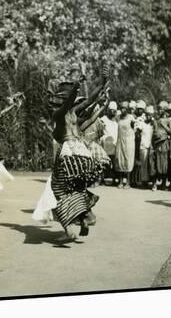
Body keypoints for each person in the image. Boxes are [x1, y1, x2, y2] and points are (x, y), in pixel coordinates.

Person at [45, 67, 108, 239]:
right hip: (85, 156)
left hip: (70, 155)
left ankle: (69, 231)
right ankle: (85, 217)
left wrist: (76, 87)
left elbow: (71, 103)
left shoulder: (59, 115)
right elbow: (89, 103)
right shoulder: (74, 115)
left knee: (58, 190)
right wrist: (102, 82)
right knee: (76, 188)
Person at [150, 103, 171, 191]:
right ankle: (154, 184)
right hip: (157, 144)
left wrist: (164, 126)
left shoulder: (168, 120)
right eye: (158, 109)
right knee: (155, 163)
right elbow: (154, 131)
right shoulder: (156, 120)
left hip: (164, 144)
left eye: (161, 109)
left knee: (164, 164)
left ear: (165, 109)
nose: (159, 110)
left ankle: (163, 184)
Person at [132, 105, 154, 188]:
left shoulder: (153, 124)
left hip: (151, 146)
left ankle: (151, 181)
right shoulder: (142, 123)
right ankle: (144, 181)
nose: (148, 116)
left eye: (150, 115)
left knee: (150, 164)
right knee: (144, 164)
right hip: (143, 146)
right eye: (147, 114)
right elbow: (137, 133)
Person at [114, 101, 135, 189]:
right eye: (122, 108)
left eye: (125, 108)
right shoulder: (118, 117)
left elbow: (135, 130)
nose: (123, 110)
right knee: (120, 160)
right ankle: (121, 181)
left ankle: (128, 182)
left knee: (128, 160)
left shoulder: (131, 118)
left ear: (127, 109)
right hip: (120, 140)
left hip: (129, 142)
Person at [100, 101, 119, 185]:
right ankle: (102, 179)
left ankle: (115, 179)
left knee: (115, 163)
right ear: (107, 110)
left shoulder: (116, 121)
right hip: (105, 143)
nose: (112, 112)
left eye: (114, 110)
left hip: (115, 144)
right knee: (104, 162)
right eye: (110, 110)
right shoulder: (103, 119)